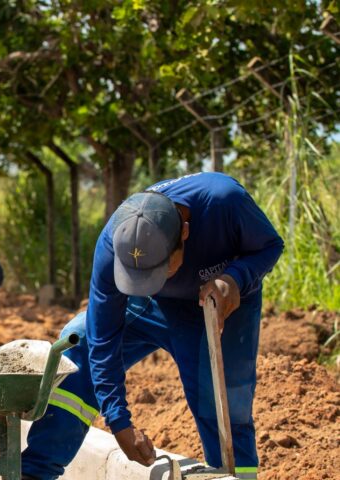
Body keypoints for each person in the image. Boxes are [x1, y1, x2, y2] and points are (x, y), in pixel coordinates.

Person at [21, 172, 283, 480]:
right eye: (137, 275)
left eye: (158, 270)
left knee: (226, 404)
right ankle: (34, 473)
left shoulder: (224, 201)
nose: (146, 281)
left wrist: (234, 278)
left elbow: (270, 245)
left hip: (223, 302)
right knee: (79, 349)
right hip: (151, 305)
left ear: (184, 233)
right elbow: (103, 338)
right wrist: (119, 423)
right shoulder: (114, 243)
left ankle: (237, 478)